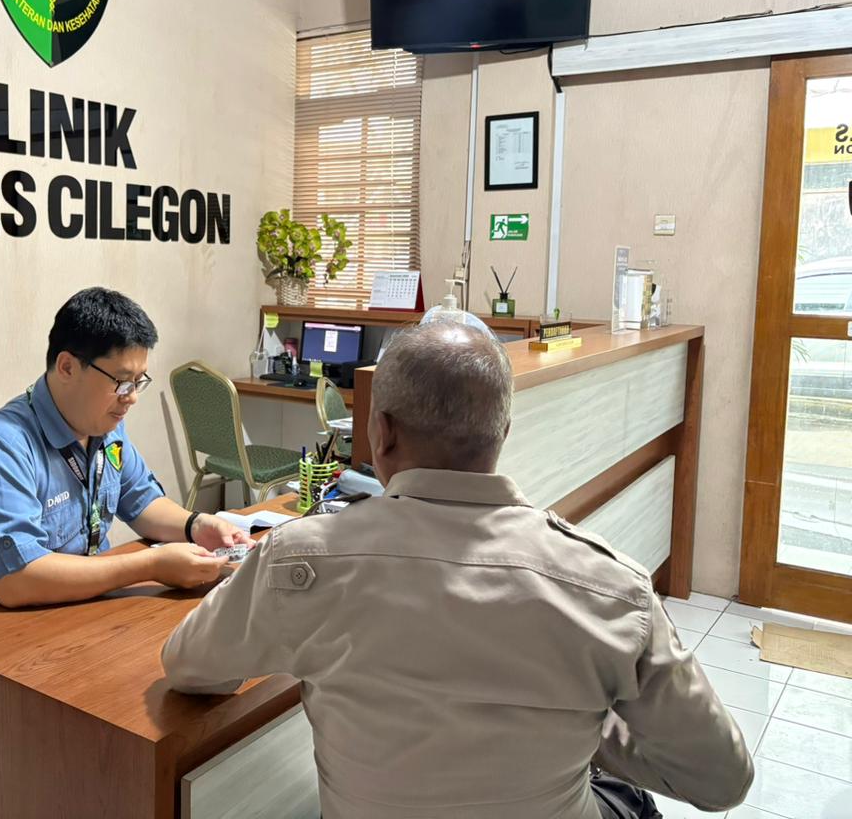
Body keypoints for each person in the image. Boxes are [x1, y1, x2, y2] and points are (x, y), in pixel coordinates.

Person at [161, 322, 753, 819]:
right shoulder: (613, 590)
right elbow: (722, 779)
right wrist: (587, 727)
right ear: (503, 434)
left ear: (380, 433)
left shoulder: (299, 562)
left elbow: (188, 664)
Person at [0, 287, 252, 606]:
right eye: (121, 381)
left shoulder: (104, 427)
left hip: (90, 606)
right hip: (7, 626)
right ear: (67, 367)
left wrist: (195, 525)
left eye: (138, 381)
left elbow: (141, 500)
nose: (131, 397)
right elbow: (17, 582)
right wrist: (151, 565)